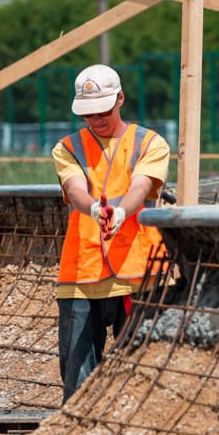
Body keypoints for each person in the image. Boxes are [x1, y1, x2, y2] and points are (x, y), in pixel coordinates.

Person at [52, 63, 169, 402]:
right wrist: (91, 208)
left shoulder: (149, 143)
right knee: (77, 380)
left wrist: (121, 211)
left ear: (120, 99)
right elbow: (74, 189)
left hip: (139, 272)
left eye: (102, 111)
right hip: (82, 273)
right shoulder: (67, 147)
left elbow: (141, 185)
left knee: (145, 374)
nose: (96, 119)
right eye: (88, 114)